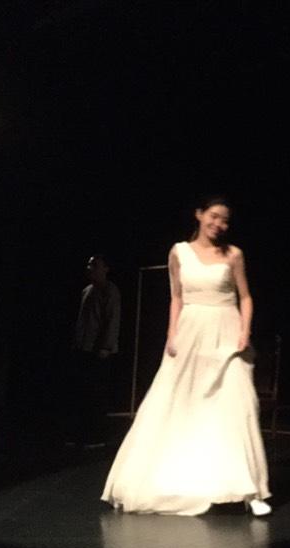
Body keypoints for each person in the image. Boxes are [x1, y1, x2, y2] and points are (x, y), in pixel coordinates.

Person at [101, 198, 272, 517]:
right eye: (214, 216)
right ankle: (174, 479)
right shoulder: (179, 252)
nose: (219, 224)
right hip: (191, 331)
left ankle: (251, 492)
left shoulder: (233, 254)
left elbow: (245, 297)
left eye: (224, 220)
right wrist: (171, 334)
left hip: (227, 331)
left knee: (238, 404)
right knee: (179, 402)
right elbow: (176, 297)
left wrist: (244, 331)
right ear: (199, 215)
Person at [70, 254, 121, 447]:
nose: (90, 268)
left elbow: (112, 319)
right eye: (89, 265)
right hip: (84, 348)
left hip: (99, 351)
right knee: (84, 393)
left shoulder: (110, 291)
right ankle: (83, 434)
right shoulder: (87, 291)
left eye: (95, 265)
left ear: (105, 268)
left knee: (97, 395)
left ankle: (98, 436)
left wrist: (106, 346)